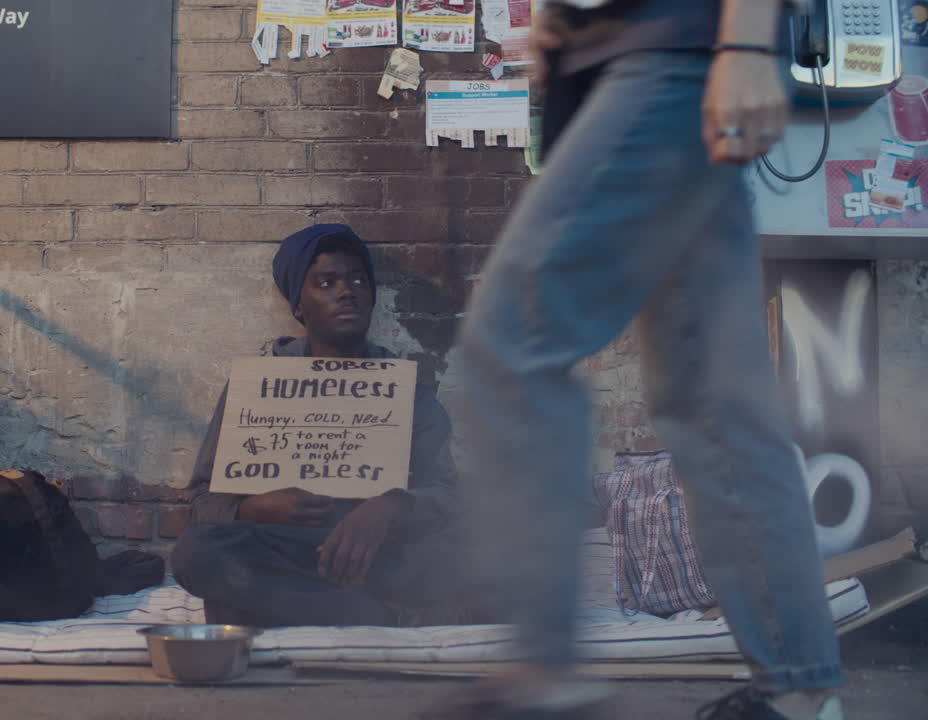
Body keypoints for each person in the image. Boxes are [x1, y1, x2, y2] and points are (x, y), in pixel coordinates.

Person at [447, 1, 844, 719]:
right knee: (714, 401)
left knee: (513, 344)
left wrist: (748, 44)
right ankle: (797, 691)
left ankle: (542, 672)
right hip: (639, 56)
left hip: (672, 47)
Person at [171, 223, 479, 628]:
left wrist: (388, 509)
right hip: (286, 548)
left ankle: (269, 606)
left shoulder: (405, 391)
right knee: (196, 553)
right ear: (299, 304)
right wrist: (253, 508)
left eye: (356, 280)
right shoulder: (257, 388)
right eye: (326, 282)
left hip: (380, 555)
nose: (346, 291)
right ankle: (379, 616)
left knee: (490, 552)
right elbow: (202, 503)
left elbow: (447, 496)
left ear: (371, 296)